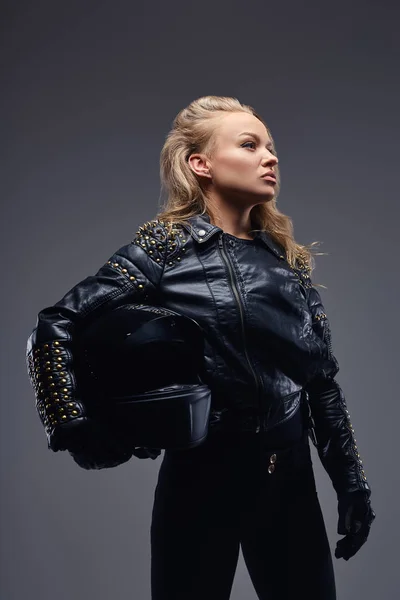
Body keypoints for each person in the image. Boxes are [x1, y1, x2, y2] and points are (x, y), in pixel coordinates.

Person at [26, 95, 375, 600]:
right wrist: (72, 424)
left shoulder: (287, 264)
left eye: (271, 147)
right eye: (250, 145)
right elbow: (56, 323)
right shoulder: (164, 246)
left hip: (288, 482)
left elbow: (321, 385)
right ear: (201, 164)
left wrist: (352, 486)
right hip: (199, 481)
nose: (270, 157)